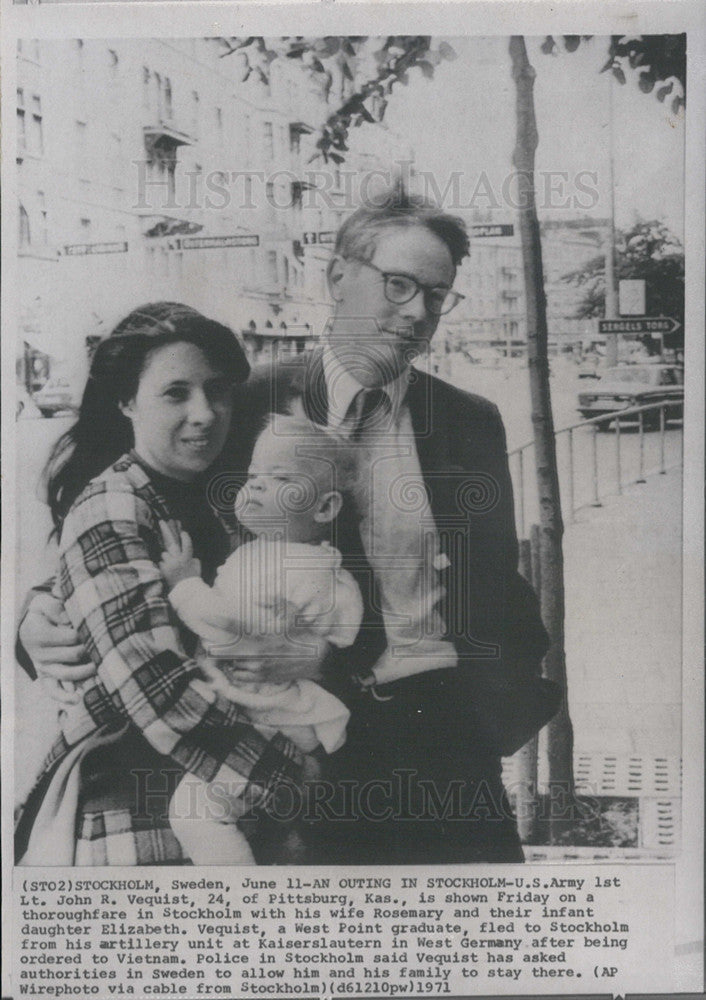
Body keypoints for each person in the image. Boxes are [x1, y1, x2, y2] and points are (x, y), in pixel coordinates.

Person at [19, 188, 558, 864]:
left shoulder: (468, 419)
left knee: (487, 953)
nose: (418, 311)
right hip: (299, 739)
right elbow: (123, 528)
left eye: (437, 294)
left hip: (446, 745)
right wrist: (32, 617)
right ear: (337, 278)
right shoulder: (238, 404)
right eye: (398, 285)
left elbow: (493, 586)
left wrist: (495, 714)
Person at [14, 303, 302, 866]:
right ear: (126, 402)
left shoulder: (217, 493)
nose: (205, 412)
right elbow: (152, 683)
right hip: (139, 807)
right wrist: (292, 775)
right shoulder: (113, 503)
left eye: (217, 390)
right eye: (176, 393)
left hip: (214, 797)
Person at [160, 417, 363, 864]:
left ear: (325, 509)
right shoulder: (296, 559)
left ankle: (245, 905)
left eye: (281, 479)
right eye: (253, 477)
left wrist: (183, 585)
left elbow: (227, 630)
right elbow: (346, 628)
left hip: (269, 713)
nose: (255, 488)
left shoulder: (287, 568)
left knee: (195, 813)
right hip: (283, 712)